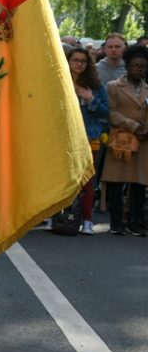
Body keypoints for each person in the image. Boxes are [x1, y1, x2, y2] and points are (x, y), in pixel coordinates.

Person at [101, 44, 148, 237]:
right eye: (136, 65)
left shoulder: (147, 88)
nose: (139, 69)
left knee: (140, 182)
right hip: (121, 139)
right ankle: (116, 221)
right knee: (116, 181)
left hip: (144, 141)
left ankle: (134, 221)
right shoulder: (113, 86)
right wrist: (132, 125)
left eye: (143, 66)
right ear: (127, 66)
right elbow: (110, 112)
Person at [66, 47, 109, 235]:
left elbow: (106, 113)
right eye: (75, 60)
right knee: (63, 180)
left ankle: (88, 220)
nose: (78, 63)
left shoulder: (96, 86)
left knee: (87, 181)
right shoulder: (59, 81)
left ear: (88, 63)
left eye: (83, 60)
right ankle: (59, 217)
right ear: (67, 61)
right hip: (64, 137)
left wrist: (90, 98)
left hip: (89, 137)